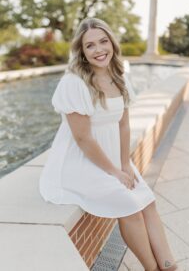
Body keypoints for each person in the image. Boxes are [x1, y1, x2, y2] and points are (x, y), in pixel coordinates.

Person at [39, 17, 180, 271]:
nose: (99, 49)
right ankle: (151, 268)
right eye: (90, 45)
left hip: (112, 159)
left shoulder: (118, 76)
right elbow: (83, 138)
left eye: (103, 41)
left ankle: (169, 266)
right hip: (79, 162)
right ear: (81, 51)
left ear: (112, 43)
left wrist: (125, 163)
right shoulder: (74, 82)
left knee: (147, 202)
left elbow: (123, 125)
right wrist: (114, 171)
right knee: (130, 207)